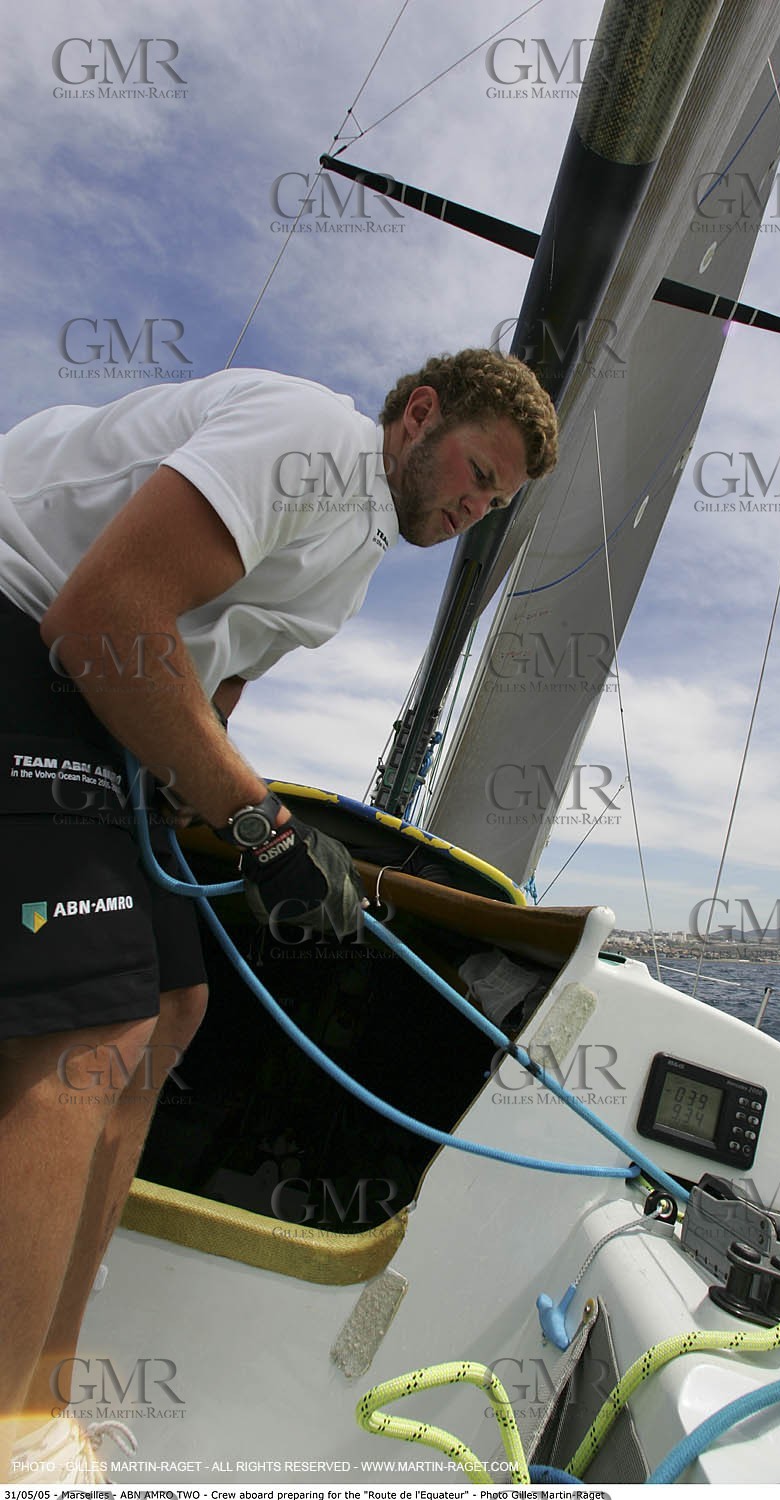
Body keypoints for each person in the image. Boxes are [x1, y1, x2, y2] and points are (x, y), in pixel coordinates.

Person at [0, 349, 558, 1480]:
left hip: (94, 709)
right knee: (92, 1036)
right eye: (475, 470)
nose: (472, 506)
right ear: (417, 415)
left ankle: (42, 1392)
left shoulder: (350, 571)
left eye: (494, 502)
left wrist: (220, 801)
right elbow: (102, 611)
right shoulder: (306, 438)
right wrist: (263, 832)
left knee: (172, 1004)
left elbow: (209, 686)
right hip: (28, 626)